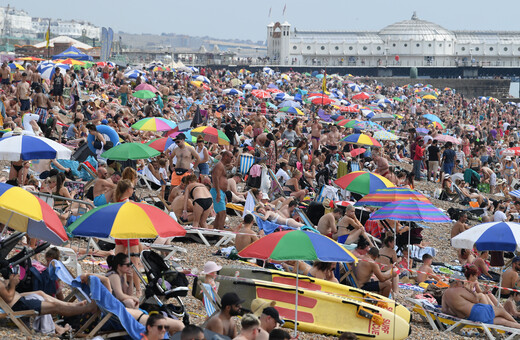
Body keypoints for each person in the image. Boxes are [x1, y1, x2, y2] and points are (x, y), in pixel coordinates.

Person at [442, 277, 520, 328]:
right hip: (477, 311)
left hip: (471, 317)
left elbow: (444, 310)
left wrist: (457, 313)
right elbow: (476, 300)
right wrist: (471, 290)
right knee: (501, 311)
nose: (463, 284)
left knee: (502, 321)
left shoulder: (445, 294)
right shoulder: (459, 290)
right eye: (462, 282)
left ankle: (518, 327)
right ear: (456, 283)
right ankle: (517, 324)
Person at [211, 150, 233, 230]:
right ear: (226, 156)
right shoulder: (219, 165)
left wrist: (223, 194)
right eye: (231, 157)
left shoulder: (221, 165)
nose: (232, 159)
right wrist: (218, 193)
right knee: (222, 214)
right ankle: (219, 234)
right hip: (217, 191)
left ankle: (216, 232)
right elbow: (215, 178)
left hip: (220, 192)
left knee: (220, 214)